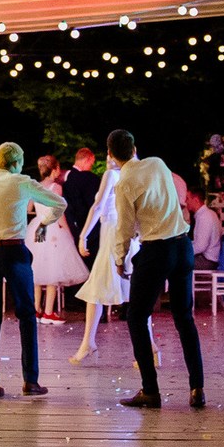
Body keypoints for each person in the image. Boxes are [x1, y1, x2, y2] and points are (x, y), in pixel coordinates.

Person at [107, 129, 204, 409]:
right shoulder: (158, 164)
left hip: (156, 251)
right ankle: (197, 388)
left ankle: (150, 390)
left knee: (136, 316)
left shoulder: (124, 185)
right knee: (184, 317)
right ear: (135, 147)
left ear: (111, 156)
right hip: (182, 245)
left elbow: (124, 228)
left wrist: (119, 259)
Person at [0, 142, 67, 398]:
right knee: (26, 314)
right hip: (14, 250)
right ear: (17, 163)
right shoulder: (21, 182)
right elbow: (59, 203)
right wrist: (44, 223)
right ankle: (30, 380)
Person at [71, 155, 136, 364]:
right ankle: (151, 348)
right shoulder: (131, 174)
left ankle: (88, 344)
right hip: (123, 233)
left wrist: (83, 235)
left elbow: (98, 206)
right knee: (131, 292)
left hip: (111, 235)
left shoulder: (111, 174)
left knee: (97, 289)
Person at [30, 156, 88, 316]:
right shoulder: (56, 187)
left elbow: (29, 208)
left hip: (38, 228)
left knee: (38, 267)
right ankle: (48, 312)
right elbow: (59, 213)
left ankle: (36, 309)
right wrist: (68, 232)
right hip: (52, 228)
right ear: (54, 169)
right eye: (58, 168)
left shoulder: (35, 187)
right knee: (52, 269)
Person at [60, 147, 102, 250]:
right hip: (92, 229)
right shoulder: (91, 179)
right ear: (86, 160)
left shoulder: (66, 180)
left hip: (73, 228)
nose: (91, 167)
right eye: (91, 164)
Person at [189, 191, 224, 266]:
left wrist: (182, 252)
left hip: (208, 260)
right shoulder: (209, 213)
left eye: (187, 199)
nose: (185, 202)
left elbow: (201, 246)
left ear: (196, 200)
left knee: (174, 263)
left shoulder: (204, 217)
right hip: (210, 258)